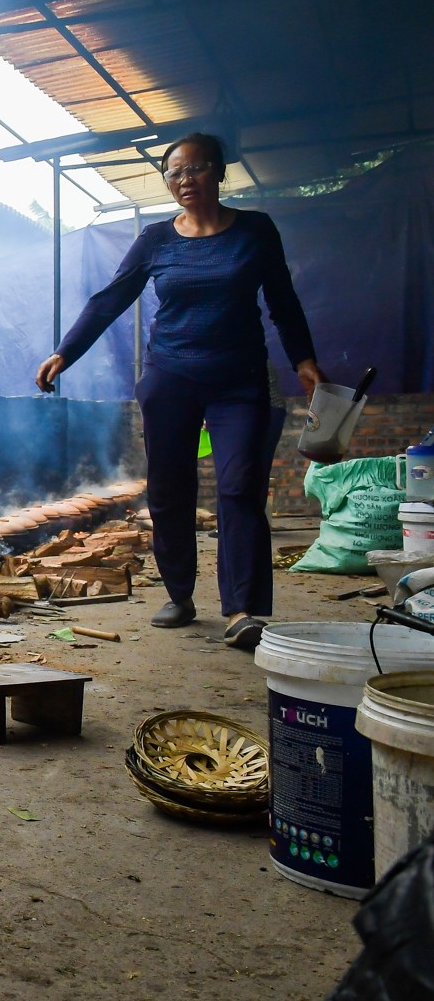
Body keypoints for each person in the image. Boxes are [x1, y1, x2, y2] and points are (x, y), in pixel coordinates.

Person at [35, 133, 324, 650]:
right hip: (171, 379)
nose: (185, 180)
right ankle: (180, 594)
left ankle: (244, 608)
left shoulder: (255, 231)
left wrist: (304, 359)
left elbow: (282, 299)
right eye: (174, 173)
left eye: (195, 169)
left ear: (218, 172)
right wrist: (66, 351)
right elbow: (111, 299)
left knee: (240, 488)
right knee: (170, 492)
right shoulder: (155, 240)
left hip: (240, 381)